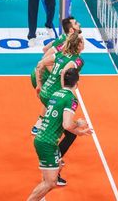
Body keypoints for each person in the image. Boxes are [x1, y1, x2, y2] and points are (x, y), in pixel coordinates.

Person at [27, 68, 91, 201]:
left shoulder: (56, 93)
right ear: (77, 84)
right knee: (50, 182)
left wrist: (79, 133)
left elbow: (62, 122)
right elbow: (67, 125)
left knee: (58, 168)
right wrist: (78, 123)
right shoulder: (71, 100)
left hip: (45, 139)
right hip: (47, 143)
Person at [35, 32, 85, 186]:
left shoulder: (60, 55)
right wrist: (66, 91)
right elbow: (64, 72)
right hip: (54, 96)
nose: (84, 43)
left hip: (45, 93)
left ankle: (41, 127)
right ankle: (54, 167)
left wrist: (39, 84)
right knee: (68, 132)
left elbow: (40, 64)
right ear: (78, 45)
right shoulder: (78, 60)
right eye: (82, 42)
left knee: (64, 130)